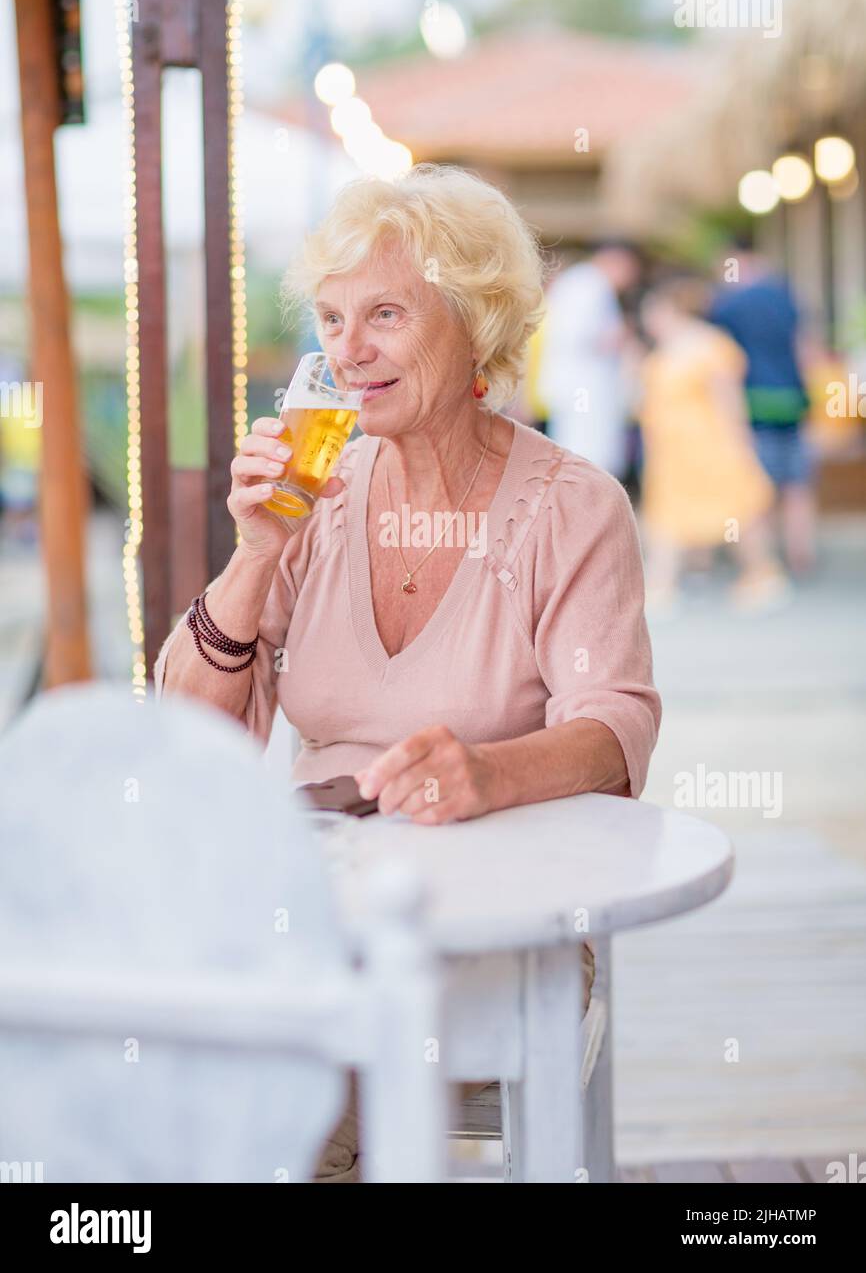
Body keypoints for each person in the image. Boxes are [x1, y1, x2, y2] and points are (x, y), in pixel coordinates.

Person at [154, 164, 661, 1180]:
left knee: (280, 1100)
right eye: (332, 320)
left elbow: (614, 732)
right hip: (313, 903)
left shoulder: (570, 506)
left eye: (384, 312)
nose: (347, 348)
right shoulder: (314, 491)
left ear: (471, 324)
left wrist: (487, 771)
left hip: (497, 910)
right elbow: (189, 735)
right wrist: (254, 552)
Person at [639, 274, 784, 613]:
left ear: (671, 310)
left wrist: (741, 444)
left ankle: (763, 573)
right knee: (666, 515)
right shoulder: (664, 351)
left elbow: (729, 401)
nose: (648, 320)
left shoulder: (710, 346)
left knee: (738, 510)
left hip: (710, 445)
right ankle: (661, 583)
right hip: (673, 451)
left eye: (653, 312)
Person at [708, 241, 816, 574]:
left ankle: (766, 561)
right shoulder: (785, 296)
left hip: (751, 404)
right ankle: (801, 555)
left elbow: (718, 361)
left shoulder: (726, 306)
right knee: (798, 485)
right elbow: (805, 347)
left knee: (759, 487)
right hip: (791, 401)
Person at [536, 240, 643, 479]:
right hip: (584, 388)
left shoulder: (585, 283)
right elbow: (577, 335)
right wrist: (620, 336)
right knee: (586, 454)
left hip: (584, 386)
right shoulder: (588, 284)